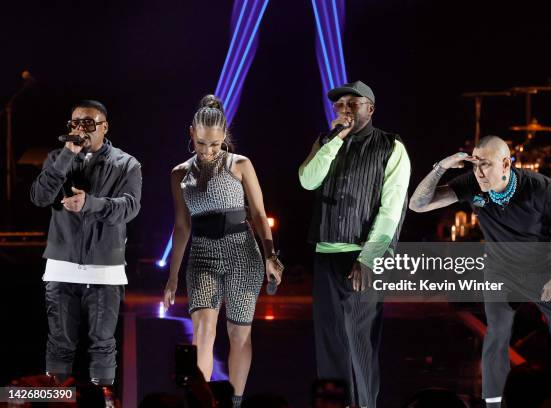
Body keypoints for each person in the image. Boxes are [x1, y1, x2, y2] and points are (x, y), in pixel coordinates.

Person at [409, 135, 551, 408]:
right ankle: (494, 404)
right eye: (475, 165)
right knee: (496, 334)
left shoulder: (541, 188)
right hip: (501, 270)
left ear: (506, 163)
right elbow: (418, 205)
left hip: (546, 269)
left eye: (486, 165)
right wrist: (442, 167)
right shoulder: (473, 185)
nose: (479, 172)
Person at [162, 95, 283, 408]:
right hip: (202, 253)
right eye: (202, 143)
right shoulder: (179, 174)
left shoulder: (240, 165)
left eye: (215, 145)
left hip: (243, 254)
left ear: (225, 136)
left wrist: (270, 256)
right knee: (203, 329)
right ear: (191, 133)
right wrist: (173, 276)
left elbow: (258, 214)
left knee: (239, 333)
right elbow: (181, 225)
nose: (208, 151)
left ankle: (236, 402)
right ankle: (201, 402)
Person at [299, 80, 411, 407]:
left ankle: (366, 404)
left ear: (370, 109)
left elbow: (392, 209)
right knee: (330, 340)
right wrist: (333, 141)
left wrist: (369, 256)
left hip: (363, 256)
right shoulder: (326, 140)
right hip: (325, 253)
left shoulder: (391, 147)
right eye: (340, 104)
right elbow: (308, 180)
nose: (345, 109)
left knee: (360, 340)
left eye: (353, 103)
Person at [31, 100, 142, 386]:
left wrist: (89, 203)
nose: (81, 129)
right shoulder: (58, 158)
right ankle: (56, 401)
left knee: (103, 342)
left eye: (89, 123)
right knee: (59, 342)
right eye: (75, 123)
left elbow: (129, 207)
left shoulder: (126, 164)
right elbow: (40, 197)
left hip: (104, 268)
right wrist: (67, 156)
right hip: (61, 265)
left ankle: (104, 398)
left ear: (104, 126)